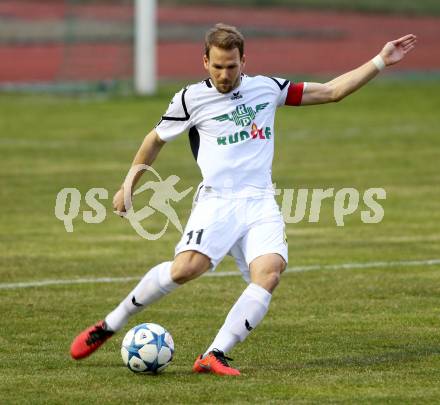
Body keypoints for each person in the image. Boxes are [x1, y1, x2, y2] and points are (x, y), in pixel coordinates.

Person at [70, 24, 416, 376]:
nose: (224, 74)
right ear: (205, 61)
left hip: (261, 201)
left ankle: (214, 354)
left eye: (232, 66)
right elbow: (155, 139)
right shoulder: (190, 98)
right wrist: (129, 183)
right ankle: (110, 325)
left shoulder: (267, 88)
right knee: (186, 269)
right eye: (217, 66)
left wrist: (380, 61)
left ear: (243, 61)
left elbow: (330, 91)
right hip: (218, 202)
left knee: (269, 273)